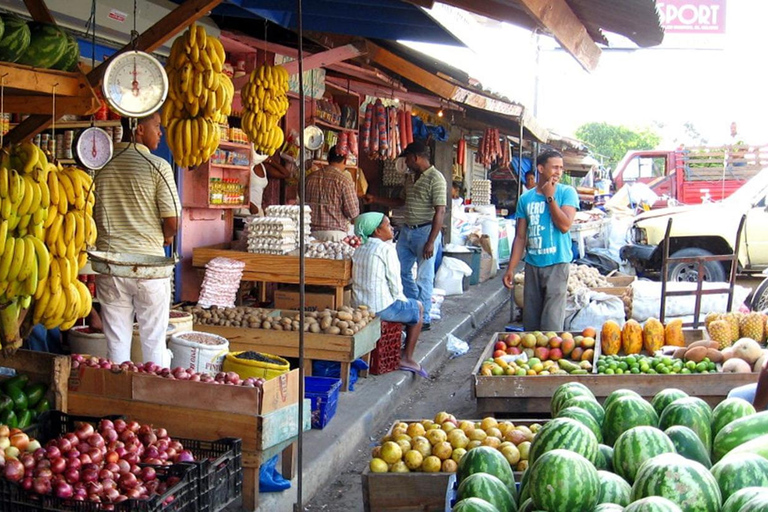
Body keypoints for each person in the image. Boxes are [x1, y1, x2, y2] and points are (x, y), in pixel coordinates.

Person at [93, 114, 181, 365]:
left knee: (117, 341)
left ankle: (118, 395)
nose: (161, 133)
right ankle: (154, 395)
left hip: (111, 266)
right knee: (154, 340)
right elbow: (173, 221)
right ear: (139, 130)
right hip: (149, 269)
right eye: (157, 127)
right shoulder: (158, 166)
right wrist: (166, 235)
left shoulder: (101, 166)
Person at [364, 141, 446, 329]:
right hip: (408, 230)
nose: (406, 163)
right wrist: (375, 199)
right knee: (400, 271)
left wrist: (431, 241)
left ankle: (423, 319)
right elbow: (400, 201)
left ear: (415, 157)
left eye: (407, 159)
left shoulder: (436, 178)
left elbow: (440, 212)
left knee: (424, 276)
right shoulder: (410, 178)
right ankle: (413, 309)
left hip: (426, 232)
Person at [502, 149, 579, 331]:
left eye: (561, 168)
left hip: (557, 264)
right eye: (554, 167)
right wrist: (511, 268)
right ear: (540, 168)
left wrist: (550, 197)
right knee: (531, 323)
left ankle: (550, 359)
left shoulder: (567, 192)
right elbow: (521, 236)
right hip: (533, 265)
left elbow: (565, 225)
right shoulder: (525, 199)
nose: (558, 172)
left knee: (551, 324)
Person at [352, 213, 427, 378]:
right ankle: (406, 358)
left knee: (409, 306)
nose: (391, 228)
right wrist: (404, 302)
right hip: (381, 308)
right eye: (387, 225)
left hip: (359, 307)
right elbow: (395, 283)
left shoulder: (358, 249)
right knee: (418, 308)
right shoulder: (385, 248)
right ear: (377, 231)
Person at [305, 145, 359, 241]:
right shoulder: (344, 181)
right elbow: (352, 212)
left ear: (328, 158)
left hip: (310, 233)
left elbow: (302, 199)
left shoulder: (309, 178)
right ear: (345, 161)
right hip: (335, 234)